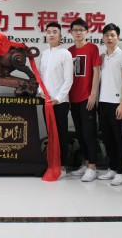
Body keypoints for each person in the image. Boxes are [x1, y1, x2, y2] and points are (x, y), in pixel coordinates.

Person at [67, 18, 102, 182]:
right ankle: (86, 163)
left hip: (87, 97)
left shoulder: (92, 48)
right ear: (71, 32)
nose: (78, 33)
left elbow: (96, 72)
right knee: (80, 133)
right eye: (75, 30)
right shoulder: (69, 51)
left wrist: (93, 94)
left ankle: (93, 167)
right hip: (73, 97)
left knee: (89, 133)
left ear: (86, 31)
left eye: (81, 30)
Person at [39, 22, 74, 179]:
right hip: (46, 101)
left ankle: (62, 166)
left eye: (55, 32)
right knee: (50, 134)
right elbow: (40, 76)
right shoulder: (44, 54)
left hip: (60, 102)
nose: (51, 34)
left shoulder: (65, 54)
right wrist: (40, 91)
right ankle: (52, 164)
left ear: (60, 36)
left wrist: (58, 98)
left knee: (60, 134)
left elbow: (69, 80)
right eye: (49, 32)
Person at [97, 23, 122, 186]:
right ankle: (112, 168)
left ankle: (121, 172)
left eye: (112, 35)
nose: (109, 38)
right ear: (103, 38)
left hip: (117, 103)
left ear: (117, 37)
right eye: (106, 35)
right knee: (107, 138)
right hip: (103, 102)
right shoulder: (102, 57)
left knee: (120, 138)